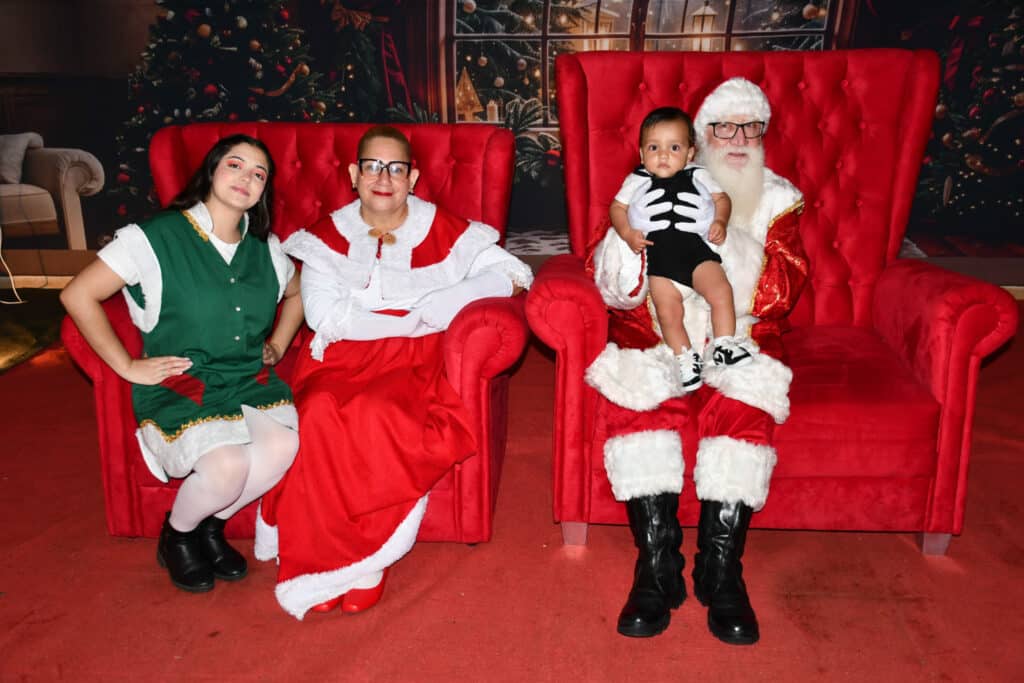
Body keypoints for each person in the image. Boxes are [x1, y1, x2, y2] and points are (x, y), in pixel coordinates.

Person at [256, 125, 533, 620]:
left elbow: (516, 273)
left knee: (379, 412)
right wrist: (409, 319)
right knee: (318, 412)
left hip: (413, 359)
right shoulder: (326, 236)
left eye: (396, 168)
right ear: (353, 174)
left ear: (413, 178)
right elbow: (323, 315)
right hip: (340, 354)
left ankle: (366, 559)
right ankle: (325, 561)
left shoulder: (443, 228)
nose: (383, 178)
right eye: (372, 166)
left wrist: (449, 300)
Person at [587, 77, 809, 642]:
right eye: (723, 128)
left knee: (745, 406)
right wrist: (634, 251)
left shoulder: (777, 198)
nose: (738, 139)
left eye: (751, 127)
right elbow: (605, 268)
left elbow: (785, 286)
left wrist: (724, 246)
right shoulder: (645, 182)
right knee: (638, 396)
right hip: (656, 329)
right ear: (701, 138)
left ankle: (721, 570)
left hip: (740, 329)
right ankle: (656, 568)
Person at [61, 134, 303, 594]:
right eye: (235, 165)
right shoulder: (154, 239)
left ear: (263, 191)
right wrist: (127, 365)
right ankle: (180, 534)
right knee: (227, 467)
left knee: (283, 447)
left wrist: (278, 342)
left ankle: (210, 527)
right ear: (212, 171)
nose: (246, 178)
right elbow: (78, 294)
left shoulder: (267, 249)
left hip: (247, 378)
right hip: (182, 382)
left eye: (259, 174)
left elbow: (297, 295)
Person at [609, 106, 753, 392]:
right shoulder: (636, 179)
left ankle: (724, 344)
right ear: (641, 154)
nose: (663, 155)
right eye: (654, 147)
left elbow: (722, 199)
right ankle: (684, 358)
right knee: (667, 313)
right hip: (660, 260)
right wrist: (627, 233)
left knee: (721, 290)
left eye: (674, 147)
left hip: (695, 253)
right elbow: (617, 208)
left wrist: (720, 221)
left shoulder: (698, 174)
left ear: (689, 154)